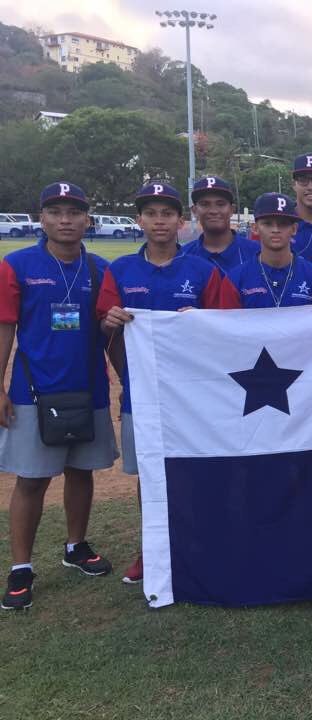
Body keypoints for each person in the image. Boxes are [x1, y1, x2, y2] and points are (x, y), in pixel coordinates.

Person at [0, 182, 118, 610]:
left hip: (88, 389)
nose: (65, 220)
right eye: (55, 211)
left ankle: (76, 546)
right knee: (31, 479)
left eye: (74, 212)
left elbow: (110, 329)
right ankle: (21, 568)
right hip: (33, 391)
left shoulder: (100, 269)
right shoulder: (17, 265)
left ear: (87, 219)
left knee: (81, 472)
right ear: (42, 217)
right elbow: (6, 327)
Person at [96, 182, 221, 585]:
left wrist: (200, 321)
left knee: (195, 470)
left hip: (193, 395)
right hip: (143, 394)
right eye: (151, 213)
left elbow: (226, 331)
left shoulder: (203, 271)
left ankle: (198, 543)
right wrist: (109, 321)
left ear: (180, 221)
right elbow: (102, 328)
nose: (159, 221)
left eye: (167, 213)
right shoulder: (121, 270)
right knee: (149, 472)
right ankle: (151, 549)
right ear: (139, 221)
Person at [219, 193, 312, 308]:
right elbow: (227, 324)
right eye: (267, 224)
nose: (276, 229)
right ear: (255, 228)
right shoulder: (235, 279)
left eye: (283, 224)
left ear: (294, 229)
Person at [180, 176, 260, 275]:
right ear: (194, 210)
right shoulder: (181, 256)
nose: (213, 211)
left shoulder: (258, 253)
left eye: (220, 204)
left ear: (232, 210)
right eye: (205, 204)